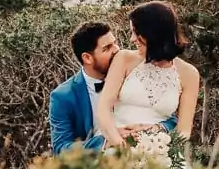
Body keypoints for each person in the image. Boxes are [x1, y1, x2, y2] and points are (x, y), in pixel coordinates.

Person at [94, 1, 199, 169]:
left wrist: (160, 143)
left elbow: (184, 131)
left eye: (137, 33)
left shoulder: (189, 74)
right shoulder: (124, 59)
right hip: (117, 144)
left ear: (154, 33)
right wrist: (121, 146)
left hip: (160, 151)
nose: (132, 39)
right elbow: (103, 108)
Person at [49, 20, 177, 155]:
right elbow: (61, 149)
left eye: (115, 42)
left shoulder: (135, 73)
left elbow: (169, 116)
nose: (116, 49)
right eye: (107, 48)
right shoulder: (62, 96)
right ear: (87, 58)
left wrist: (157, 128)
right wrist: (106, 141)